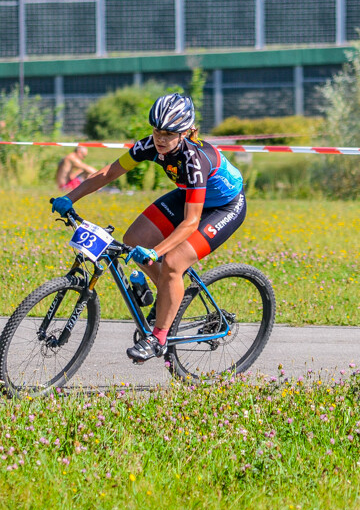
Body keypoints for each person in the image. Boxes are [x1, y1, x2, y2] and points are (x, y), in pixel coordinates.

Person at [51, 93, 246, 362]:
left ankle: (159, 338)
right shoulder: (149, 146)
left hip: (224, 206)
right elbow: (109, 172)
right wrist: (69, 197)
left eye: (169, 133)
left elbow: (191, 222)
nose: (161, 139)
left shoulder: (194, 160)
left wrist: (156, 253)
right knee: (133, 238)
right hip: (189, 194)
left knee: (173, 263)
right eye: (157, 131)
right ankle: (168, 296)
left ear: (187, 132)